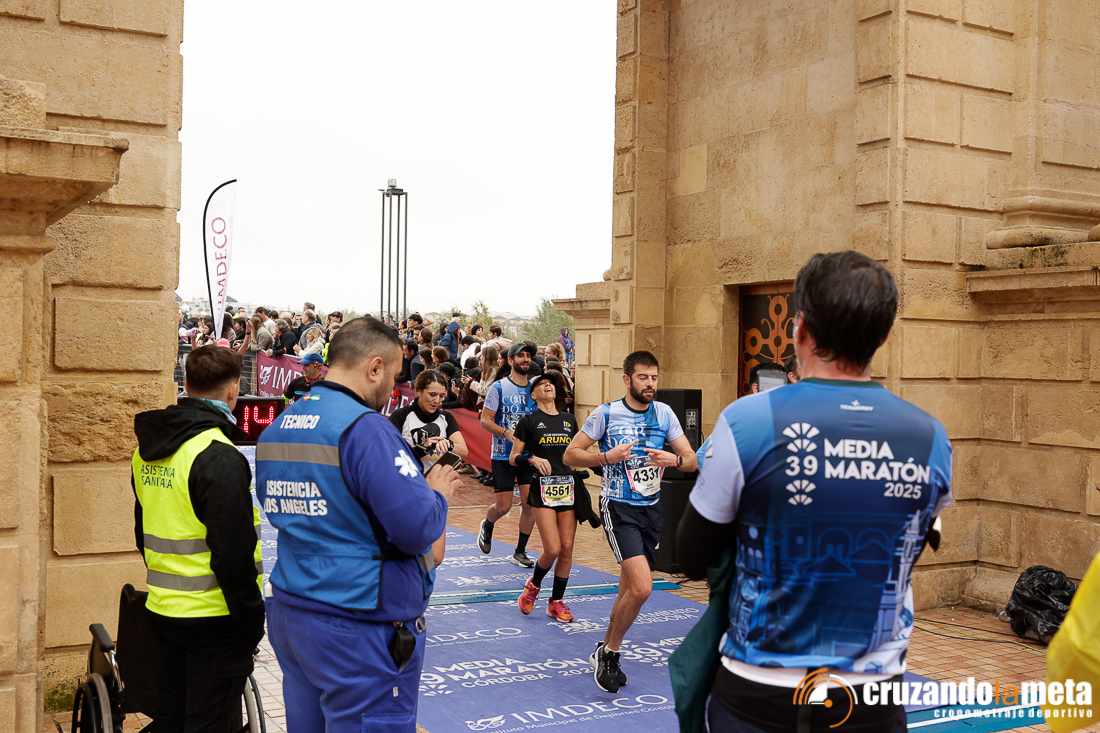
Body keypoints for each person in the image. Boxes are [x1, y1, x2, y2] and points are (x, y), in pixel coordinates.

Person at [676, 251, 952, 733]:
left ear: (799, 329)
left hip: (761, 689)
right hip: (873, 696)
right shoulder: (931, 437)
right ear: (884, 336)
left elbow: (691, 555)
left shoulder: (747, 421)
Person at [256, 317, 461, 733]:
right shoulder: (366, 429)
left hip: (294, 607)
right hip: (358, 620)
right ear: (374, 367)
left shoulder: (279, 427)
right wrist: (436, 493)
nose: (395, 389)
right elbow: (417, 528)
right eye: (395, 376)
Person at [131, 345, 264, 732]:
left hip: (163, 609)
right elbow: (233, 553)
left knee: (171, 720)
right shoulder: (217, 454)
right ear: (233, 391)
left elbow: (142, 529)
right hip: (215, 621)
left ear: (186, 383)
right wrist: (251, 622)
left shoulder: (147, 451)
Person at [563, 350, 697, 693]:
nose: (650, 384)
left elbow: (692, 460)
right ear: (627, 379)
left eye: (654, 377)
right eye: (643, 377)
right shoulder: (607, 413)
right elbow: (570, 454)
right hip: (619, 508)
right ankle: (611, 652)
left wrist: (673, 459)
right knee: (641, 587)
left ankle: (603, 650)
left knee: (628, 589)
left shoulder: (664, 413)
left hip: (651, 509)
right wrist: (605, 456)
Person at [510, 371, 580, 623]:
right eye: (541, 384)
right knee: (552, 548)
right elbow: (513, 457)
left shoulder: (569, 420)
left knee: (567, 549)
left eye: (550, 383)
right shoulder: (528, 420)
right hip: (543, 489)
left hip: (567, 488)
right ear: (534, 394)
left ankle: (556, 602)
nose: (547, 385)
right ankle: (533, 586)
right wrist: (531, 458)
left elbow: (578, 451)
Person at [478, 342, 537, 567]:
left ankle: (520, 551)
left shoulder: (535, 388)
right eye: (520, 356)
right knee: (504, 507)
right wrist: (506, 432)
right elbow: (485, 420)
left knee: (529, 504)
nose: (525, 359)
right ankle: (488, 524)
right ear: (510, 361)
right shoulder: (499, 387)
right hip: (503, 454)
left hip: (527, 456)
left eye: (528, 355)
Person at [390, 370, 468, 474]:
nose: (437, 401)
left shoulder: (446, 417)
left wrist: (448, 444)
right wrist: (423, 449)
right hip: (409, 479)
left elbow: (464, 451)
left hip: (436, 480)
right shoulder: (401, 415)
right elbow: (389, 452)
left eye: (441, 396)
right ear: (419, 391)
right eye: (432, 394)